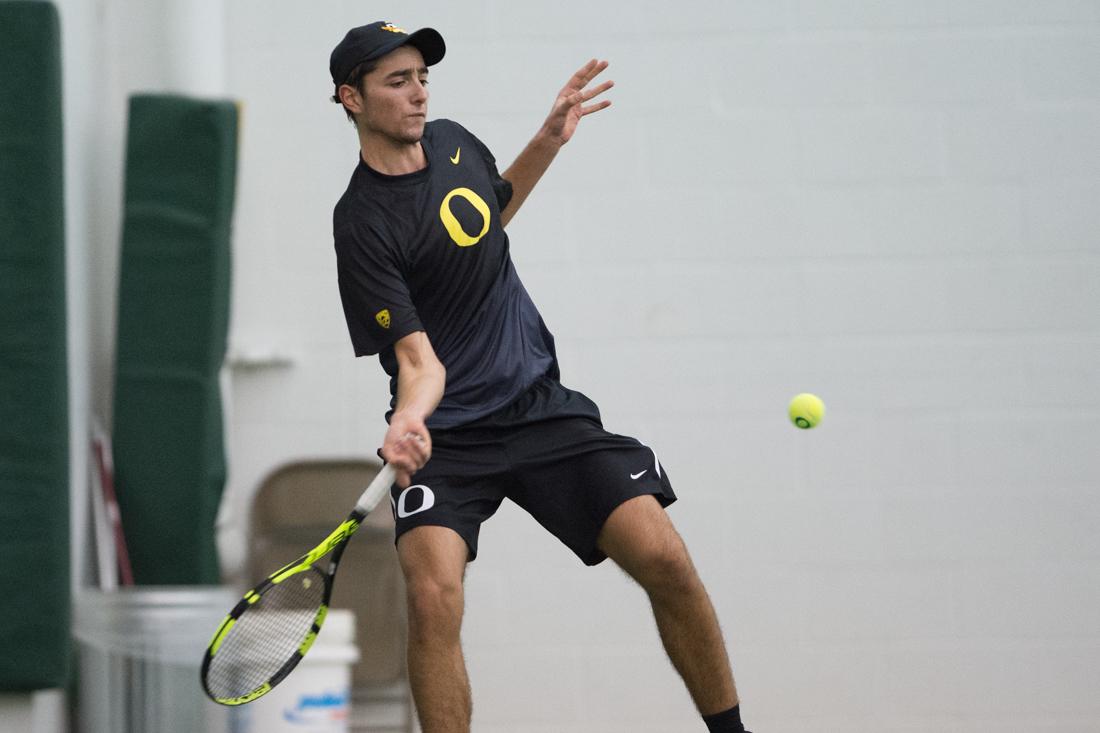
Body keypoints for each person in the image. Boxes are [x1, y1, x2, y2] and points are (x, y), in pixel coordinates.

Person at [328, 20, 751, 733]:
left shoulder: (455, 141)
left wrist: (547, 142)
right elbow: (418, 360)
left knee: (665, 557)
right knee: (433, 597)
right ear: (352, 98)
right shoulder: (361, 223)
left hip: (537, 407)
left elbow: (489, 217)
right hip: (446, 437)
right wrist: (408, 418)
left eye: (423, 77)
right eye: (397, 82)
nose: (419, 94)